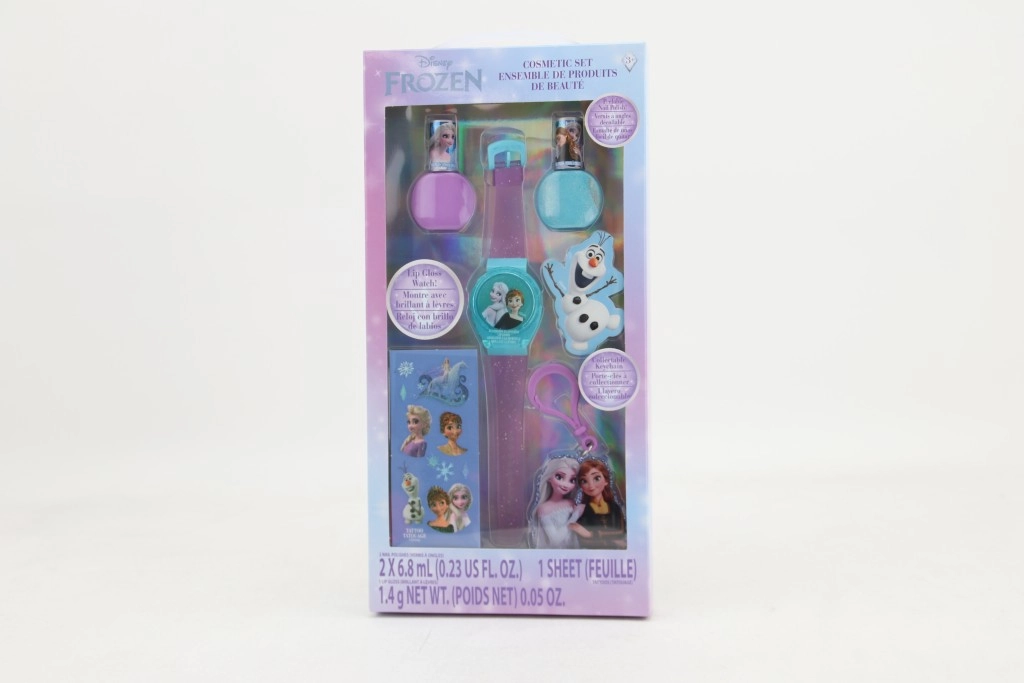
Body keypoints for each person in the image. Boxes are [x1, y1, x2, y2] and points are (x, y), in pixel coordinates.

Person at [569, 458, 626, 549]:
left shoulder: (614, 507)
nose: (591, 486)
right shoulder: (582, 510)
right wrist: (613, 541)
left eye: (596, 478)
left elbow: (621, 531)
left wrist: (591, 534)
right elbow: (583, 540)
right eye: (584, 481)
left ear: (606, 481)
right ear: (581, 486)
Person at [529, 457, 582, 549]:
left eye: (572, 480)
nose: (565, 484)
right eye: (559, 477)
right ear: (549, 478)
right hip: (555, 553)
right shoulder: (544, 509)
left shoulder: (571, 503)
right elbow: (555, 540)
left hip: (574, 551)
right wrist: (575, 515)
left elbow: (575, 536)